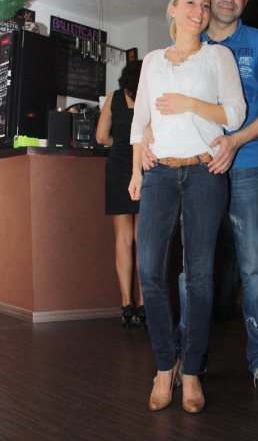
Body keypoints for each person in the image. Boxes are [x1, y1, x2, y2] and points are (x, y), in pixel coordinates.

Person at [142, 0, 258, 396]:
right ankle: (192, 358)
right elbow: (161, 104)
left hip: (247, 165)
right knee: (194, 270)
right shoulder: (191, 44)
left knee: (255, 265)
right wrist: (148, 131)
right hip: (195, 170)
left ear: (245, 1)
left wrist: (235, 141)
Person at [128, 0, 246, 413]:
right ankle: (165, 365)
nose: (200, 9)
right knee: (149, 271)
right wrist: (136, 169)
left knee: (199, 276)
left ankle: (192, 369)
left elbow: (235, 113)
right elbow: (140, 120)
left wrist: (189, 103)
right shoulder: (152, 61)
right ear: (173, 9)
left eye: (206, 4)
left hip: (204, 172)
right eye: (192, 2)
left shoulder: (219, 57)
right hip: (159, 173)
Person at [96, 60, 146, 329]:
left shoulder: (113, 99)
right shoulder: (151, 98)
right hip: (145, 168)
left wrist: (121, 143)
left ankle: (127, 304)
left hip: (117, 169)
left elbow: (101, 137)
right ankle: (144, 303)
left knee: (123, 239)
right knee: (143, 239)